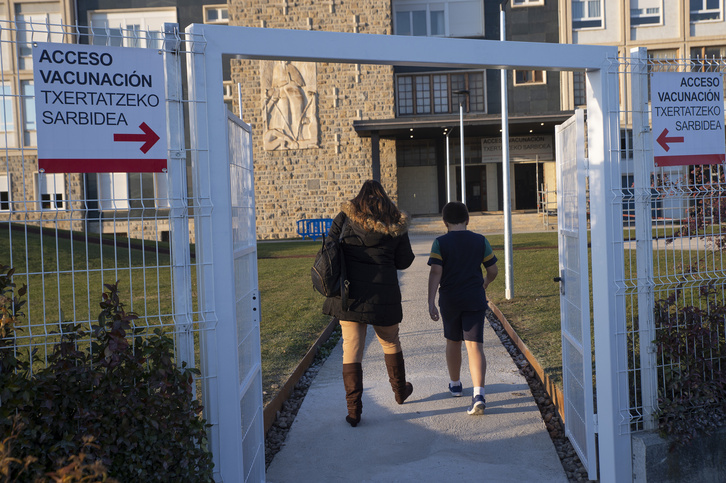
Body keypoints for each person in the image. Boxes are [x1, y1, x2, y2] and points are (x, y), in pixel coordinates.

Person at [323, 179, 416, 427]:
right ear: (384, 197)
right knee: (390, 342)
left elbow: (329, 247)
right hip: (383, 297)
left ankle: (354, 411)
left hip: (349, 295)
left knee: (351, 349)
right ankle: (399, 392)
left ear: (359, 198)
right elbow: (404, 261)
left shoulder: (344, 218)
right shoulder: (394, 221)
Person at [427, 201, 498, 415]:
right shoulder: (480, 241)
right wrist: (484, 283)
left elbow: (436, 273)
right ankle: (479, 394)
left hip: (450, 299)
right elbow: (493, 270)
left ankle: (456, 384)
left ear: (444, 222)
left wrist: (430, 301)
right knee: (475, 345)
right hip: (474, 298)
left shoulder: (440, 243)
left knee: (453, 340)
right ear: (468, 220)